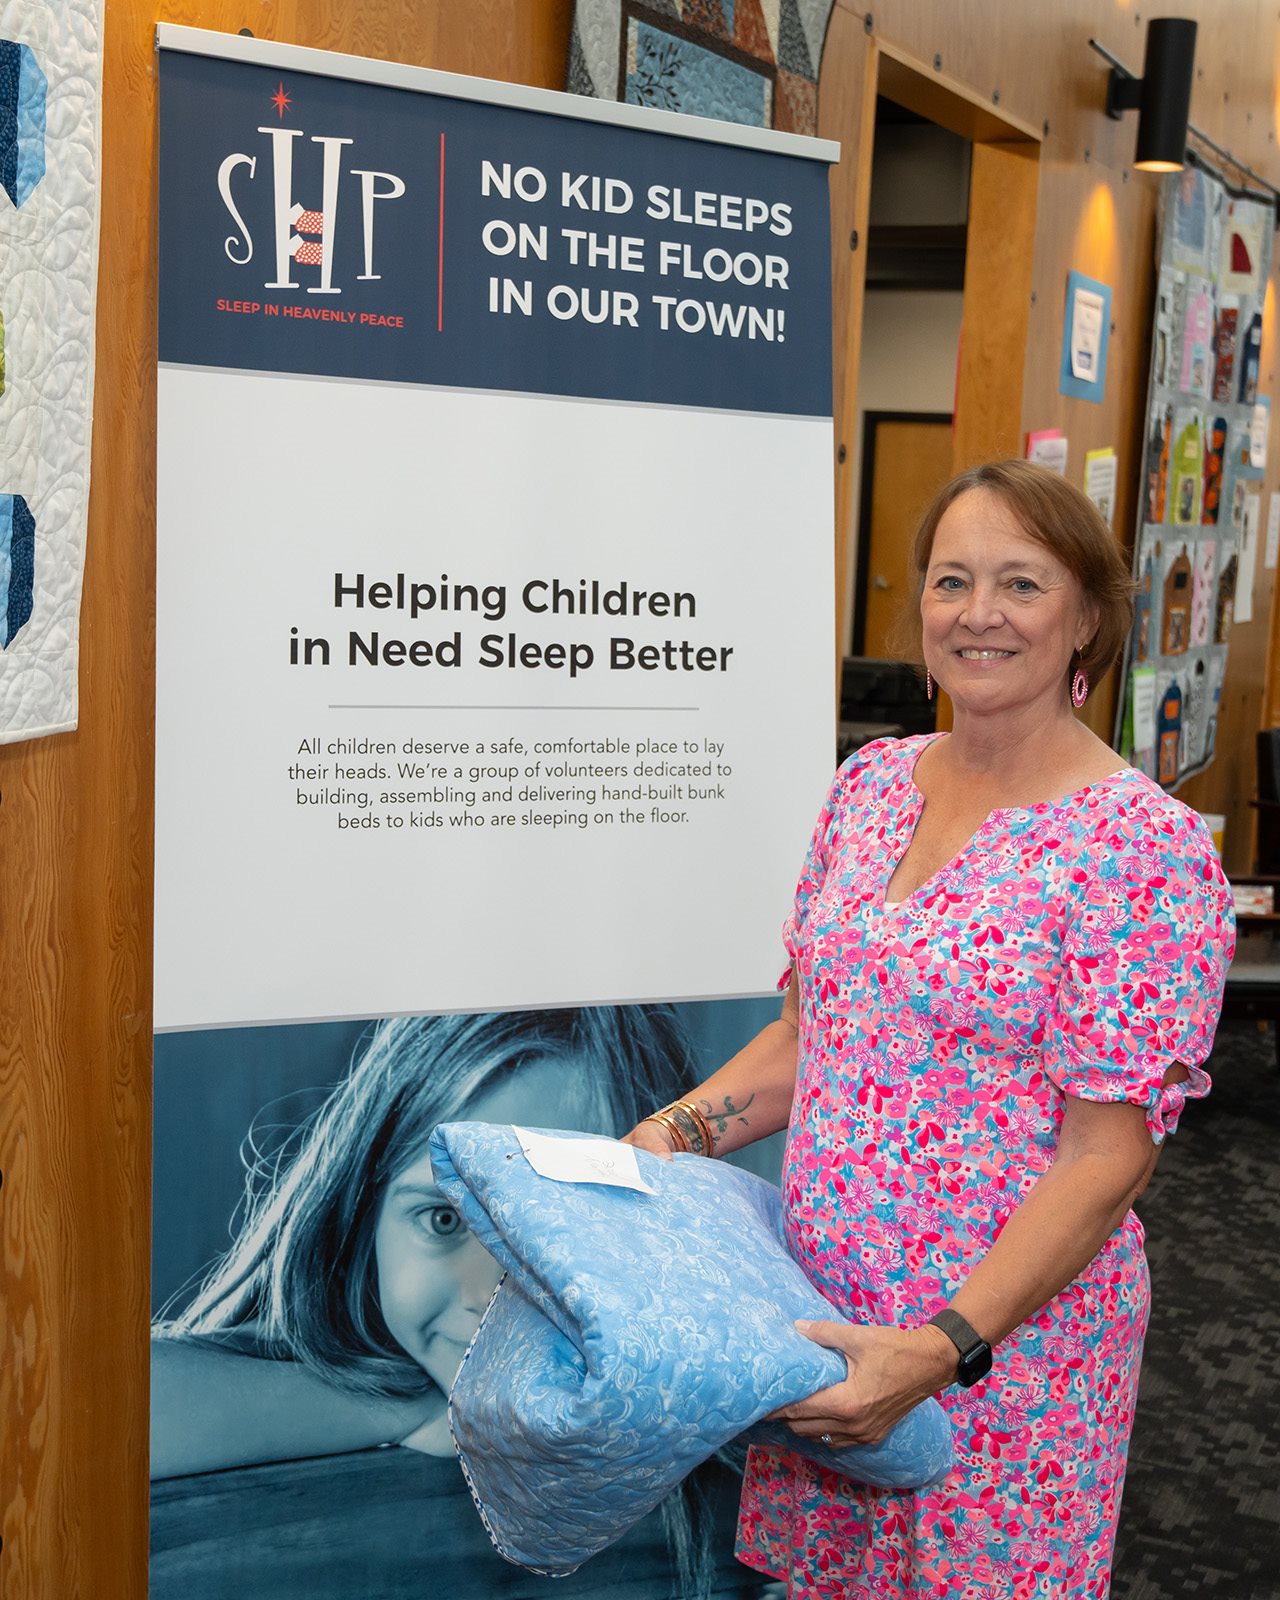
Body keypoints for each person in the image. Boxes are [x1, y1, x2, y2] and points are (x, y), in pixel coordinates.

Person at [626, 459, 1235, 1599]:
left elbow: (1109, 1152)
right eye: (950, 581)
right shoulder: (869, 784)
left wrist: (945, 1341)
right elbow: (815, 1037)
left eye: (1020, 582)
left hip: (999, 1351)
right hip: (828, 1323)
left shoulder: (1139, 849)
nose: (978, 612)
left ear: (1087, 617)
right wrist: (657, 1143)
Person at [151, 1006, 697, 1473]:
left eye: (562, 1229)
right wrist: (394, 1407)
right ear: (364, 1221)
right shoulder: (331, 1353)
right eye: (444, 1220)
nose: (486, 1296)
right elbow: (116, 1406)